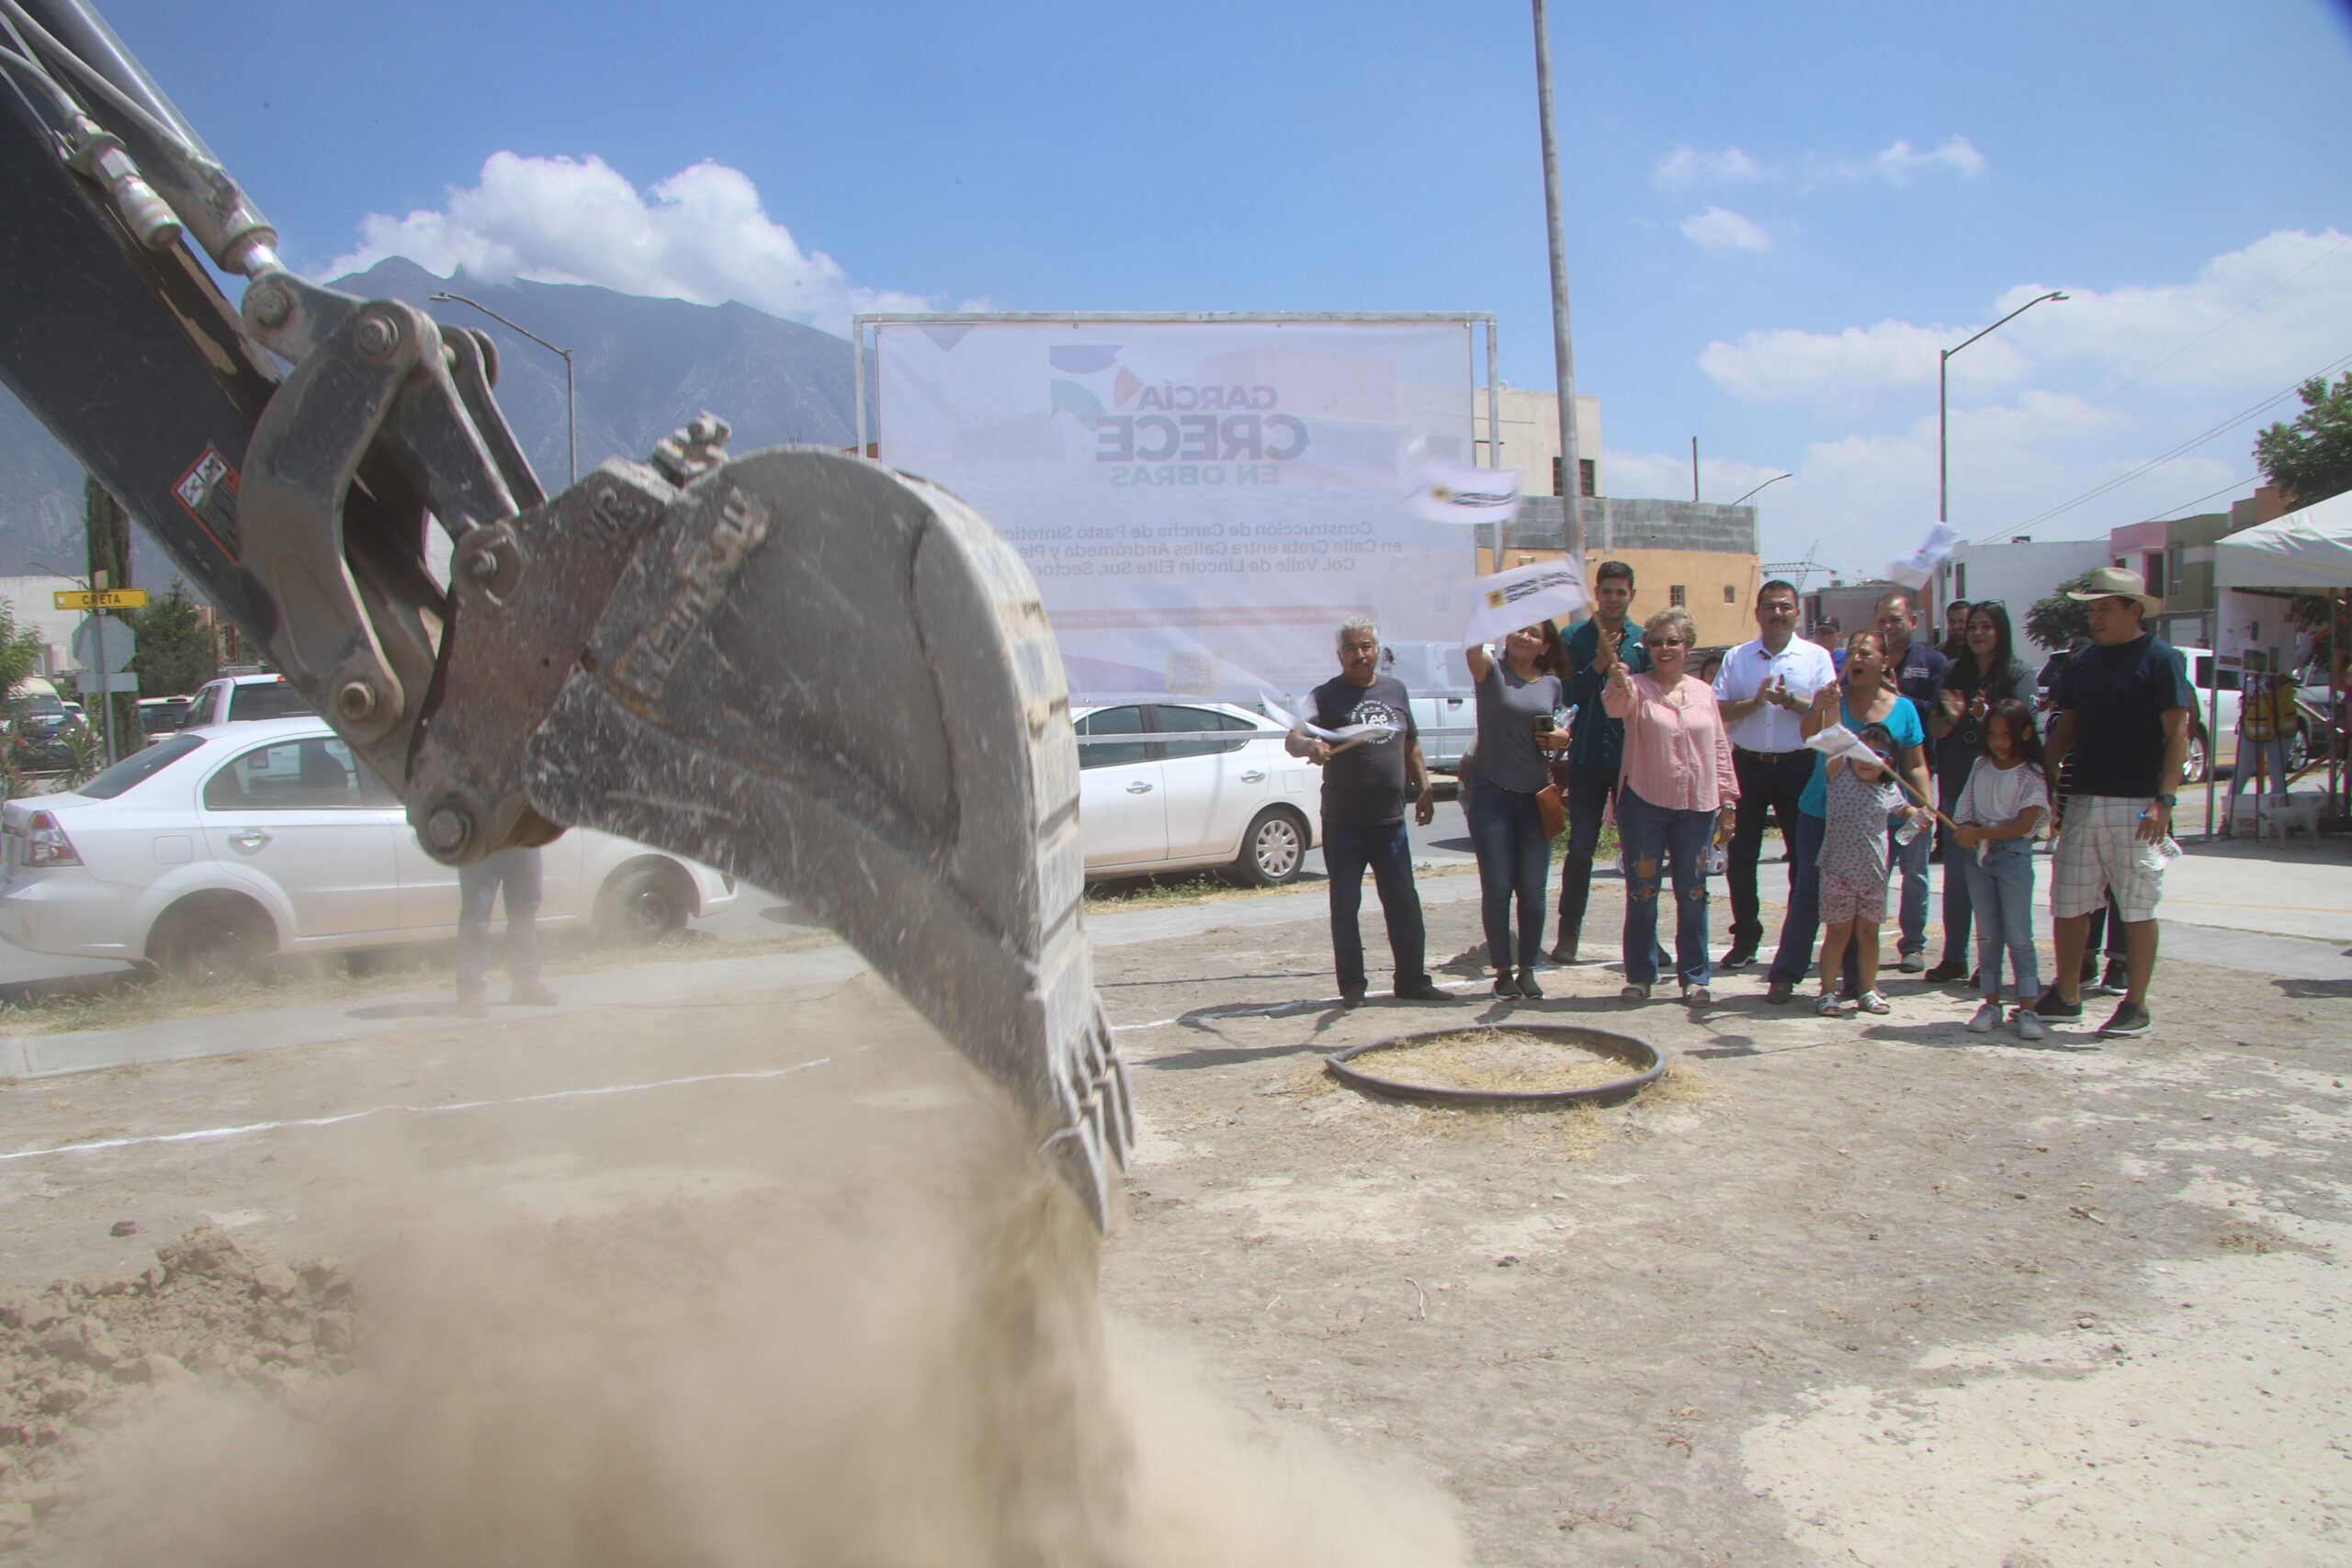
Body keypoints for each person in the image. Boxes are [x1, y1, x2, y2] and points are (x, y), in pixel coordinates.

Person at [2038, 568, 2193, 1039]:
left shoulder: (2162, 659)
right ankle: (2067, 994)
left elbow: (2177, 735)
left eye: (2105, 608)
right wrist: (2041, 777)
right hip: (2083, 796)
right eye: (2091, 609)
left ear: (2134, 610)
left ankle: (2136, 1003)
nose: (2095, 617)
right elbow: (2066, 728)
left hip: (2138, 803)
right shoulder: (2082, 662)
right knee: (2069, 902)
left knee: (2138, 905)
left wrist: (2163, 802)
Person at [1764, 628, 1934, 1004]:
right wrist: (1820, 706)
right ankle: (1786, 974)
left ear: (1885, 662)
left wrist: (1926, 803)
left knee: (1865, 907)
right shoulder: (1832, 698)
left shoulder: (1903, 710)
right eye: (1852, 651)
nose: (1857, 658)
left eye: (1867, 653)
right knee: (1808, 894)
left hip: (1875, 823)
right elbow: (1809, 736)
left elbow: (1915, 763)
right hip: (1820, 813)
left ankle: (1860, 984)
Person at [1292, 616, 1451, 1007]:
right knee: (1346, 905)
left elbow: (1409, 741)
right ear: (1339, 655)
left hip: (1390, 821)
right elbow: (1293, 737)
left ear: (1377, 651)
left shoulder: (1396, 690)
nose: (1359, 655)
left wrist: (1425, 786)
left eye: (1365, 647)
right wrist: (1310, 747)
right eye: (1351, 649)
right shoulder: (1324, 696)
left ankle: (1412, 980)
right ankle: (1352, 987)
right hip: (1344, 822)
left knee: (1404, 902)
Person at [1602, 607, 1737, 1005]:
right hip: (1644, 803)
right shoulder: (1636, 687)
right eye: (1657, 642)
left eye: (1673, 641)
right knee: (1643, 891)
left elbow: (1719, 747)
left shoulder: (1704, 692)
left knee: (1693, 892)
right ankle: (1640, 975)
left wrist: (1728, 801)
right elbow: (1614, 707)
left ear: (1688, 646)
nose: (1665, 649)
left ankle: (1695, 977)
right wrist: (1615, 680)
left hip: (1697, 808)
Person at [1713, 579, 1838, 970]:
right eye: (1770, 606)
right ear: (1758, 613)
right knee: (1741, 856)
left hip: (1799, 765)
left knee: (1803, 857)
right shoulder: (1739, 657)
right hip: (1748, 764)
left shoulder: (1815, 657)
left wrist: (1791, 701)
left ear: (1797, 612)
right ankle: (1746, 936)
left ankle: (1797, 941)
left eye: (1785, 606)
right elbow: (1716, 711)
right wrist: (1756, 702)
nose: (1778, 613)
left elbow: (1829, 715)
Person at [1924, 603, 2037, 981]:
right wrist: (1955, 719)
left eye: (1986, 627)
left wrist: (1986, 715)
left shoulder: (2018, 674)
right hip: (1959, 788)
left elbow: (2023, 727)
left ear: (2001, 632)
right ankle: (1955, 956)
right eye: (1973, 626)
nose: (1977, 634)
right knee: (1959, 881)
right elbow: (1936, 728)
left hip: (2004, 794)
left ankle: (1993, 968)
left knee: (2001, 885)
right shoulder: (1955, 671)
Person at [1463, 622, 1570, 997]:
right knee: (1497, 888)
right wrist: (1485, 613)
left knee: (1534, 890)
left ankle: (1528, 968)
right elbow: (1471, 650)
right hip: (1491, 792)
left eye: (1534, 633)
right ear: (1506, 635)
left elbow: (1561, 732)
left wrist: (1561, 738)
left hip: (1535, 796)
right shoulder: (1491, 670)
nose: (1525, 637)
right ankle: (1503, 972)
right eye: (1518, 630)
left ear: (1545, 646)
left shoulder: (1552, 684)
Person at [1552, 559, 1649, 964]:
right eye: (1606, 590)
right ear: (1597, 593)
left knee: (1641, 849)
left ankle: (1645, 939)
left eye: (1620, 591)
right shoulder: (1574, 636)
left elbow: (1650, 696)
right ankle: (1568, 935)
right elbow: (1565, 692)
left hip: (1632, 760)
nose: (1613, 598)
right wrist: (1596, 666)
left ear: (1631, 595)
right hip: (1588, 758)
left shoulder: (1644, 640)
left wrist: (1626, 677)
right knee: (1581, 849)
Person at [1951, 698, 2051, 1040]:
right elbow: (1965, 805)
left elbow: (2023, 824)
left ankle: (2028, 1007)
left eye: (2006, 734)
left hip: (2012, 855)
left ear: (2024, 733)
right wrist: (1965, 829)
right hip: (1979, 855)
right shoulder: (1981, 765)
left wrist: (1979, 833)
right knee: (1989, 933)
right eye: (1992, 734)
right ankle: (1991, 1002)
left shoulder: (2031, 773)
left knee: (2019, 935)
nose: (1998, 742)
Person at [1867, 590, 1951, 974]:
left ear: (1913, 622)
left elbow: (1940, 715)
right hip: (1872, 782)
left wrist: (1900, 700)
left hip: (1915, 778)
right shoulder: (1867, 661)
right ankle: (1864, 940)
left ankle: (1913, 945)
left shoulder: (1932, 663)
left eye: (1896, 619)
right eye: (1882, 619)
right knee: (1872, 869)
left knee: (1914, 871)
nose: (1888, 627)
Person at [1815, 722, 1905, 1018]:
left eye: (1875, 755)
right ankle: (1827, 992)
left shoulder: (1890, 789)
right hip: (1837, 871)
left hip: (1874, 877)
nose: (1866, 760)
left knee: (1869, 934)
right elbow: (1833, 739)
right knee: (1837, 934)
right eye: (1860, 753)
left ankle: (1867, 989)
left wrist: (1922, 817)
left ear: (1888, 762)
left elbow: (1907, 813)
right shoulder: (1839, 776)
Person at [456, 845, 558, 1016]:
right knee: (476, 914)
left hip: (524, 839)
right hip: (481, 840)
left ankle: (526, 983)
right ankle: (470, 991)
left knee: (524, 913)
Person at [2225, 666, 2300, 829]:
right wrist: (2266, 681)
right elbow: (2248, 687)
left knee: (2277, 773)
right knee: (2242, 771)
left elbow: (2302, 653)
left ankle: (2280, 822)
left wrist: (2278, 677)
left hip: (2280, 724)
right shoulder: (2248, 660)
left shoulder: (2286, 660)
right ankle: (2229, 817)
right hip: (2255, 722)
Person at [1939, 598, 1973, 662]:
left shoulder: (1980, 650)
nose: (1956, 626)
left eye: (1961, 621)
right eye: (1952, 622)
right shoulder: (1939, 653)